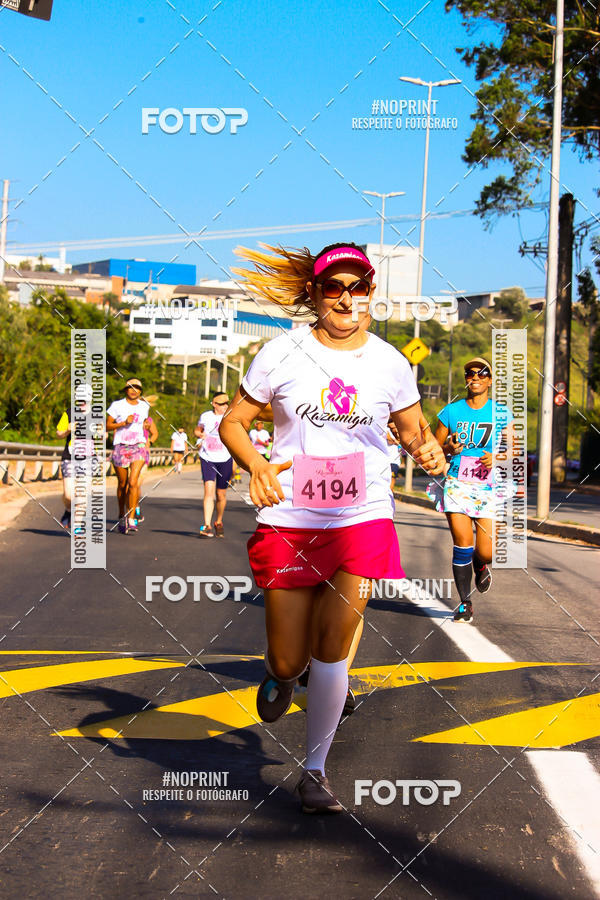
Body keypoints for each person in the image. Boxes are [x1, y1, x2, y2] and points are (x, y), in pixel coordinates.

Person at [220, 241, 445, 813]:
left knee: (333, 646)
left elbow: (414, 432)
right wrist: (257, 465)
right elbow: (234, 423)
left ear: (371, 293)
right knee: (289, 659)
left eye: (358, 287)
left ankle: (315, 772)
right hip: (291, 517)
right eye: (334, 287)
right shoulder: (281, 353)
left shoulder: (391, 363)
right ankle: (280, 675)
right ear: (315, 294)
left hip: (361, 515)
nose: (347, 298)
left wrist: (430, 452)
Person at [433, 357, 514, 623]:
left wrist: (498, 457)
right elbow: (436, 447)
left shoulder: (501, 413)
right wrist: (449, 448)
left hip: (488, 485)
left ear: (490, 380)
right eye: (470, 373)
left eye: (481, 373)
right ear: (466, 379)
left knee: (487, 551)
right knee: (462, 544)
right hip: (457, 482)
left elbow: (514, 450)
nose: (475, 377)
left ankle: (481, 564)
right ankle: (465, 603)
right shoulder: (451, 411)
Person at [106, 378, 150, 534]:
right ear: (126, 390)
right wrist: (123, 423)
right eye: (130, 387)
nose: (133, 390)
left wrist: (146, 426)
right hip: (121, 446)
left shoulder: (144, 406)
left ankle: (131, 519)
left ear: (140, 391)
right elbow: (107, 425)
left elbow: (144, 423)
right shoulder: (116, 405)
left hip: (138, 446)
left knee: (133, 482)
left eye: (137, 388)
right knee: (122, 484)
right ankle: (121, 515)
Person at [56, 384, 97, 530]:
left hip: (88, 459)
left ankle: (77, 526)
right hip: (69, 458)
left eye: (85, 399)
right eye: (80, 399)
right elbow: (59, 433)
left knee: (82, 494)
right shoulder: (69, 413)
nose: (82, 402)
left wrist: (100, 433)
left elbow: (104, 434)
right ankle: (68, 510)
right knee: (69, 495)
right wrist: (68, 430)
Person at [195, 391, 233, 538]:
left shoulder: (230, 416)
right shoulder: (206, 416)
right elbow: (198, 430)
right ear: (214, 404)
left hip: (225, 458)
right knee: (209, 491)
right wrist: (199, 434)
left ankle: (218, 521)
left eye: (226, 403)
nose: (225, 406)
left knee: (221, 494)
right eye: (221, 404)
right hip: (208, 457)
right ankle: (207, 525)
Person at [135, 414, 158, 524]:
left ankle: (135, 509)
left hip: (142, 454)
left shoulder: (148, 419)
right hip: (126, 453)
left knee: (136, 484)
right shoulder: (126, 416)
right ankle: (128, 511)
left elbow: (155, 433)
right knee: (127, 485)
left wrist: (150, 442)